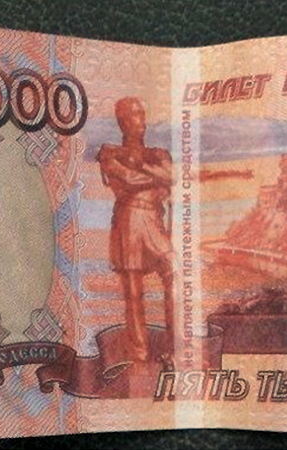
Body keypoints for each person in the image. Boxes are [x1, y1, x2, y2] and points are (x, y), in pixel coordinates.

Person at [97, 97, 174, 366]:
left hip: (153, 219)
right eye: (135, 115)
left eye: (142, 114)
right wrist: (152, 177)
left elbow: (171, 176)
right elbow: (127, 180)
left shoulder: (158, 153)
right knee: (133, 291)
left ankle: (174, 349)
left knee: (174, 272)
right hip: (129, 219)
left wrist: (137, 164)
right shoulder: (109, 154)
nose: (142, 121)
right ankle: (139, 353)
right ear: (123, 122)